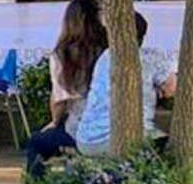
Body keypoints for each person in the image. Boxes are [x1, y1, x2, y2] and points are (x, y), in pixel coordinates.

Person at [23, 0, 106, 181]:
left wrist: (54, 121)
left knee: (36, 142)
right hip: (112, 125)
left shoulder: (62, 54)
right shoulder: (109, 49)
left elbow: (59, 99)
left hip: (80, 130)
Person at [74, 11, 176, 156]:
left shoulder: (105, 56)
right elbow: (171, 90)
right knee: (168, 146)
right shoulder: (150, 57)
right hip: (119, 139)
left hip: (85, 140)